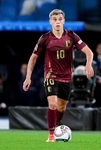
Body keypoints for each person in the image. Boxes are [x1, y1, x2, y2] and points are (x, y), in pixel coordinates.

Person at [23, 9, 94, 142]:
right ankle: (51, 135)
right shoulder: (45, 38)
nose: (57, 21)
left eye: (60, 19)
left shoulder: (72, 36)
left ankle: (56, 127)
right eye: (54, 19)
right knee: (53, 104)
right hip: (51, 76)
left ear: (63, 21)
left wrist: (88, 65)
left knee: (61, 107)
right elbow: (33, 58)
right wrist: (28, 77)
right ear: (50, 22)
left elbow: (89, 52)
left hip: (66, 77)